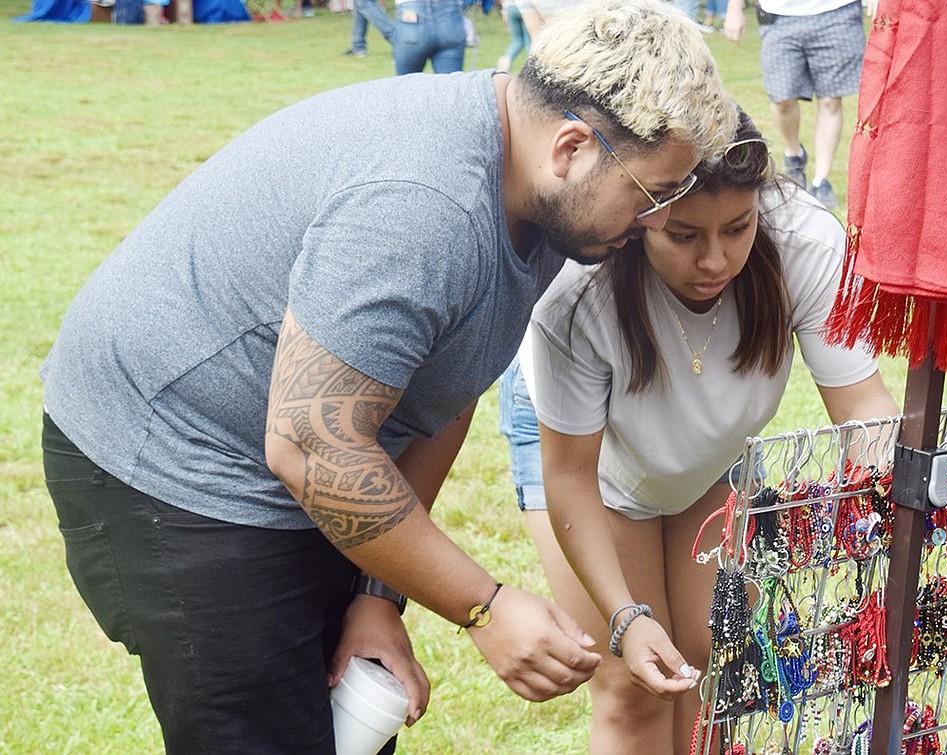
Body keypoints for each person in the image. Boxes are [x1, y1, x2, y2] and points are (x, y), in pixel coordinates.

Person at [38, 1, 737, 751]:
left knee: (349, 723)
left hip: (292, 446)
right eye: (653, 193)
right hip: (171, 463)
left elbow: (445, 389)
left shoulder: (537, 188)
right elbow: (313, 446)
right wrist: (484, 606)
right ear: (571, 147)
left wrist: (378, 598)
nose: (658, 219)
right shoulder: (426, 207)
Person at [499, 108, 899, 753]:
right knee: (634, 683)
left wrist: (894, 500)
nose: (714, 260)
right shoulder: (575, 297)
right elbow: (571, 475)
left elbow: (861, 404)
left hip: (708, 458)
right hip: (588, 467)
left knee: (704, 661)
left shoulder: (808, 243)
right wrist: (626, 618)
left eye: (737, 228)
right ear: (640, 215)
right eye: (682, 234)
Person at [722, 0, 876, 210]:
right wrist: (734, 9)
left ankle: (821, 181)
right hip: (779, 15)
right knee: (782, 100)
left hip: (836, 11)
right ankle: (794, 155)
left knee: (831, 101)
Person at [496, 0, 529, 73]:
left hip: (510, 8)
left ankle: (505, 63)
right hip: (526, 8)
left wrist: (504, 12)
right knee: (529, 40)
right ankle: (531, 65)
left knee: (517, 40)